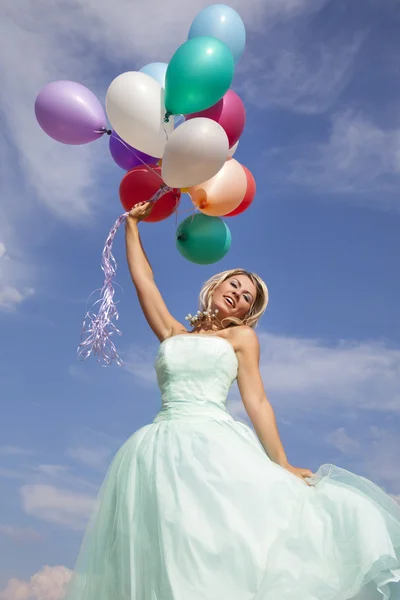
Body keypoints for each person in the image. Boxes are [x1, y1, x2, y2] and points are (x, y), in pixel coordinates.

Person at [65, 202, 400, 600]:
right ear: (216, 284)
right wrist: (133, 227)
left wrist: (282, 463)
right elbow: (145, 282)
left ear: (248, 312)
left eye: (247, 297)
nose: (238, 295)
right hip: (156, 451)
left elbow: (257, 400)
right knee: (169, 547)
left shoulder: (240, 339)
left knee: (218, 545)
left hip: (214, 446)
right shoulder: (174, 333)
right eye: (235, 285)